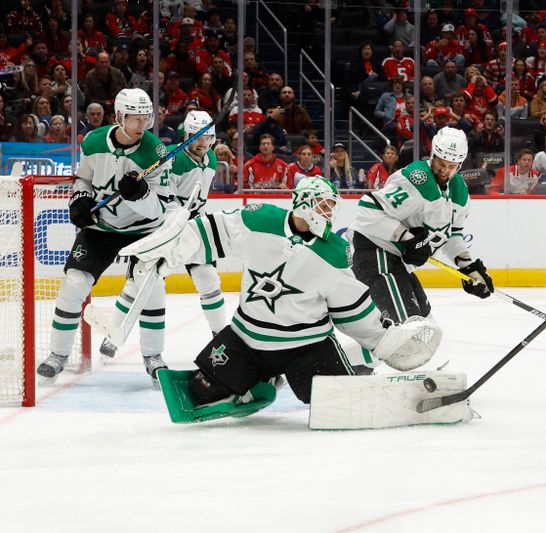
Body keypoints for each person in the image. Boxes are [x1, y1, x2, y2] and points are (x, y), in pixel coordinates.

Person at [120, 177, 447, 421]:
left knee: (340, 405)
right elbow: (206, 231)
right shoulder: (259, 220)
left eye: (332, 207)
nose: (328, 213)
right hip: (246, 339)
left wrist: (384, 339)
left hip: (307, 347)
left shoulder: (334, 252)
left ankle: (337, 366)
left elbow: (353, 310)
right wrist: (166, 252)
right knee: (196, 394)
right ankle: (256, 382)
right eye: (324, 204)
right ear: (303, 202)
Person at [36, 88, 174, 384]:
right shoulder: (94, 141)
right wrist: (80, 199)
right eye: (134, 118)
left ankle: (153, 356)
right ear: (120, 116)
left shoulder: (157, 152)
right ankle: (58, 355)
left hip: (143, 230)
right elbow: (83, 178)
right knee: (74, 284)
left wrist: (140, 194)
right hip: (101, 227)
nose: (141, 125)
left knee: (151, 288)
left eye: (145, 118)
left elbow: (160, 207)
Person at [99, 111, 226, 358]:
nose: (203, 144)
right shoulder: (173, 160)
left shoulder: (210, 158)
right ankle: (113, 335)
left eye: (208, 138)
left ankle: (221, 335)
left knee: (208, 278)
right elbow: (163, 200)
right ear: (186, 135)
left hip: (193, 227)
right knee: (142, 282)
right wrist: (176, 222)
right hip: (164, 227)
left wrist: (191, 222)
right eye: (197, 138)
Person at [349, 127, 493, 333]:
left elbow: (451, 235)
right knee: (408, 329)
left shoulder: (460, 191)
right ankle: (347, 364)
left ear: (460, 165)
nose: (445, 171)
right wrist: (406, 237)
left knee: (427, 329)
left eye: (452, 166)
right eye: (441, 163)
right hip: (374, 252)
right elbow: (367, 208)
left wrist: (468, 267)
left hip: (398, 262)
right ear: (433, 156)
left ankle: (358, 364)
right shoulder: (417, 179)